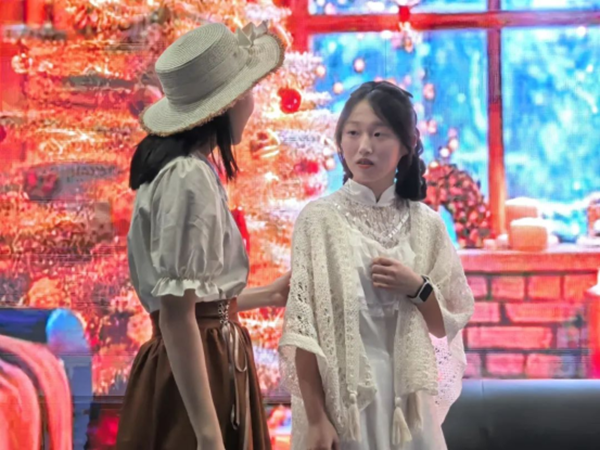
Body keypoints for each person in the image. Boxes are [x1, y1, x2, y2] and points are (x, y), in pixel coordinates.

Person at [116, 21, 288, 450]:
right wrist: (208, 434)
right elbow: (177, 314)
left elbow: (200, 303)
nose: (252, 102)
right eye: (249, 90)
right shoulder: (187, 177)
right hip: (198, 374)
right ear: (228, 103)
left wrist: (269, 294)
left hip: (206, 361)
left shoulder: (190, 170)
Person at [279, 81, 474, 450]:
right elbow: (303, 331)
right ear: (340, 141)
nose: (364, 146)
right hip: (345, 406)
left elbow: (445, 323)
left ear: (406, 145)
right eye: (353, 133)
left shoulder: (427, 225)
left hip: (411, 410)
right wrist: (317, 419)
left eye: (379, 134)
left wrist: (417, 287)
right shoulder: (318, 220)